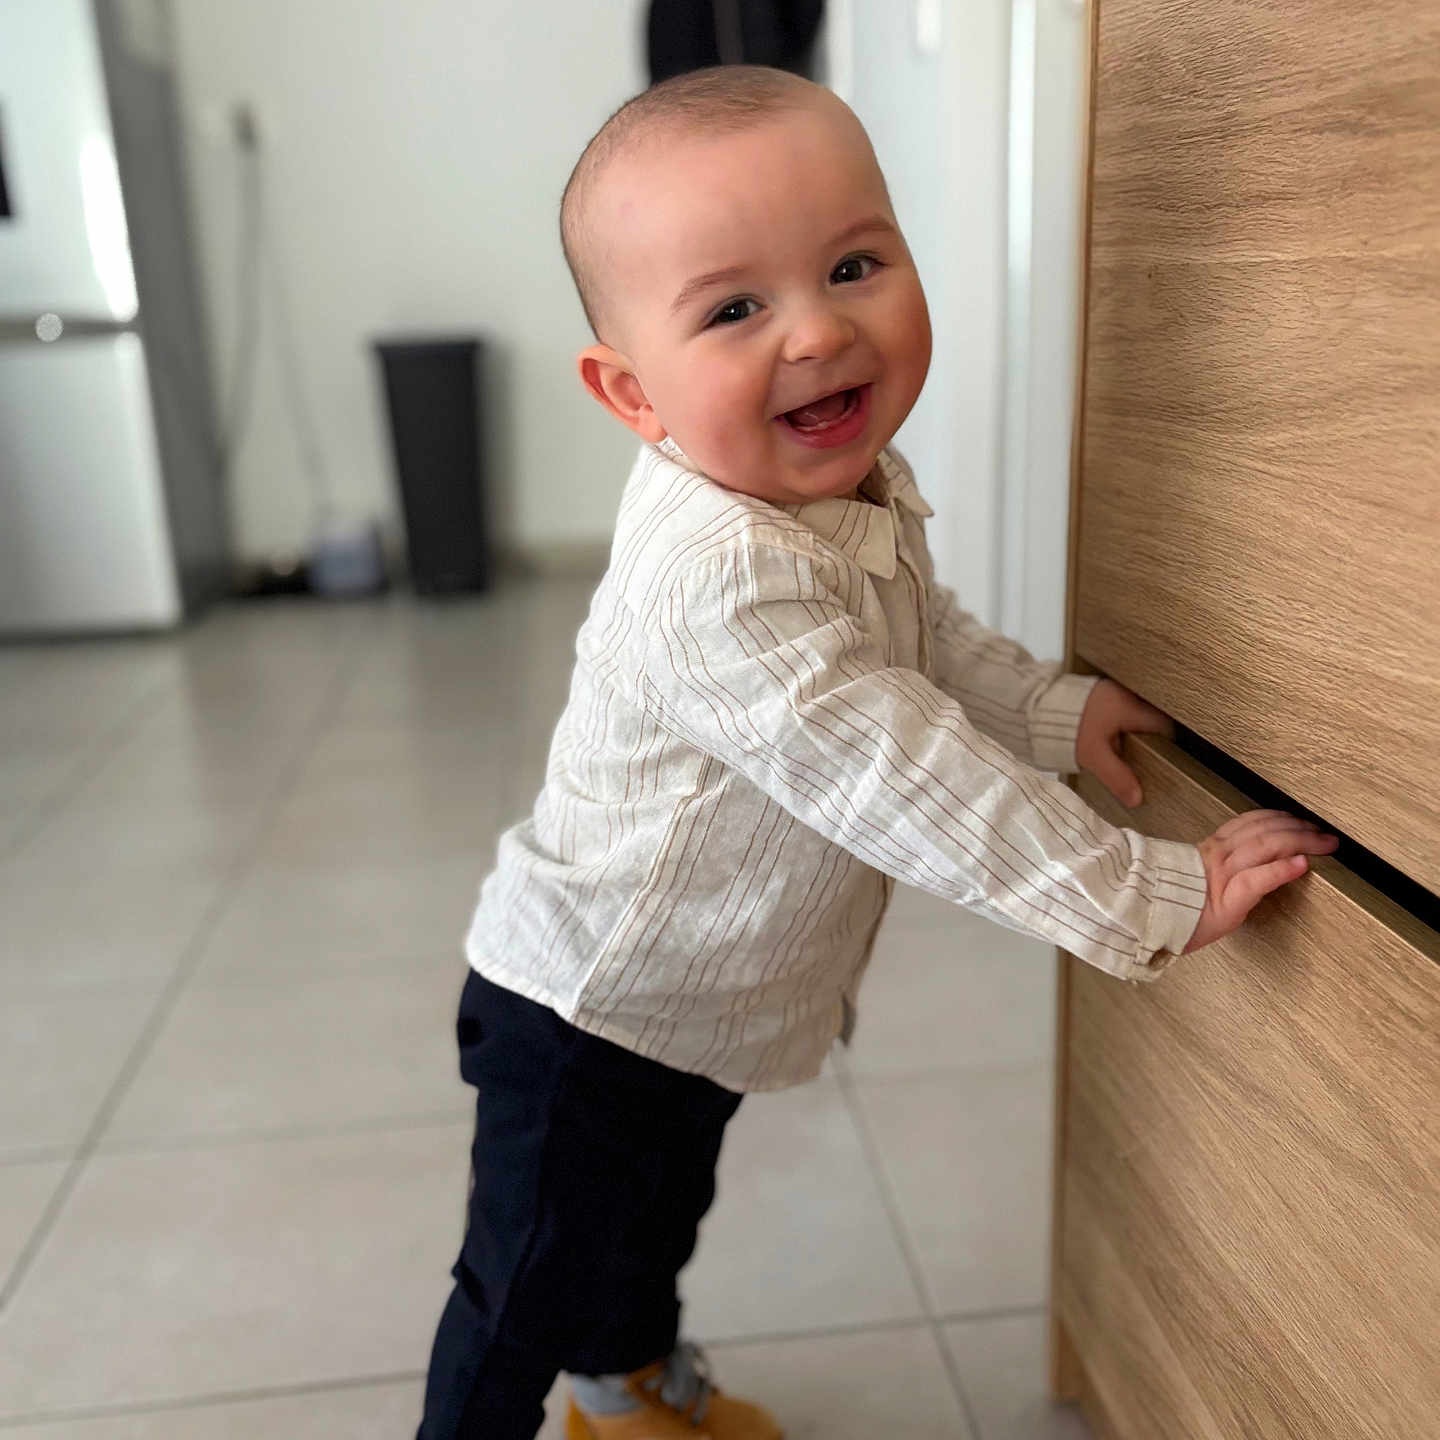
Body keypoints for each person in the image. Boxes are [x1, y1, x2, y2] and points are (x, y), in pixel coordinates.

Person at [416, 65, 1336, 1440]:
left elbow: (919, 641)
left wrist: (1049, 709)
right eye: (734, 307)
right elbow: (907, 781)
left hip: (696, 1005)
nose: (818, 333)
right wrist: (1152, 892)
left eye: (854, 264)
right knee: (524, 1286)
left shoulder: (846, 484)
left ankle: (622, 1390)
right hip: (587, 1010)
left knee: (652, 1218)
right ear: (632, 392)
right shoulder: (718, 580)